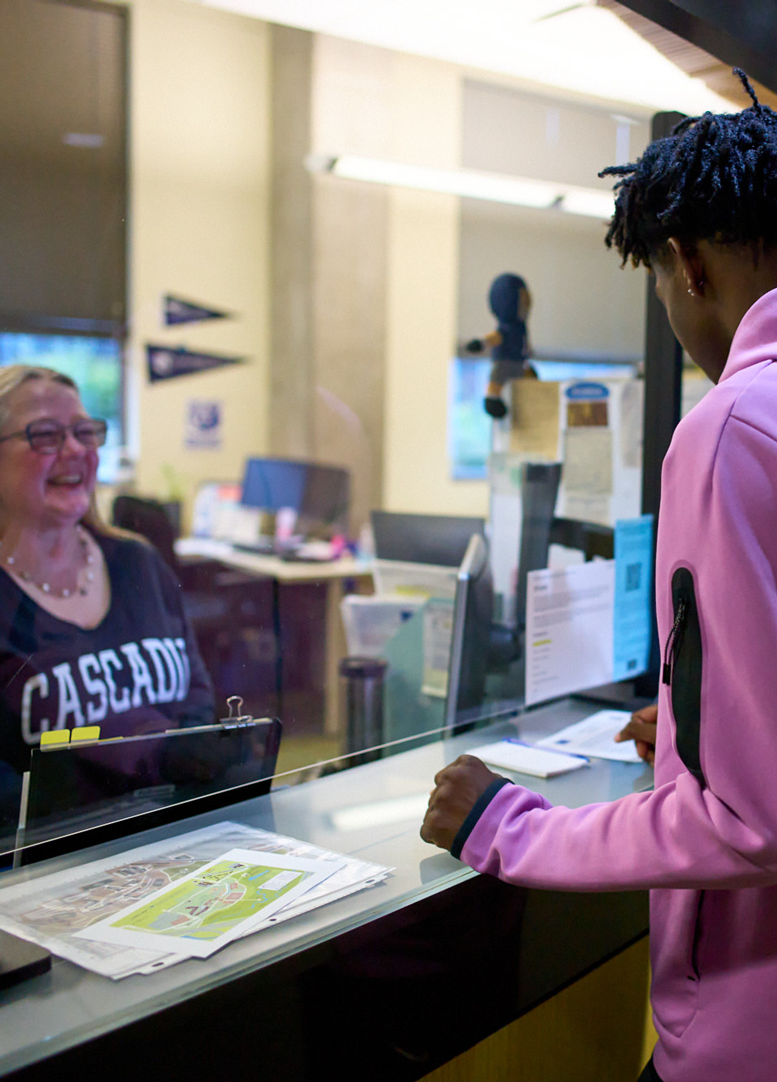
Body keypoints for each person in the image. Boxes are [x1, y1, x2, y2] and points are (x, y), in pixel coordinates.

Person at [422, 71, 777, 1082]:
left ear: (685, 263)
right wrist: (722, 729)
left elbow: (751, 821)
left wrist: (509, 824)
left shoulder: (733, 427)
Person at [0, 365, 214, 783]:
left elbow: (198, 704)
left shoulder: (139, 563)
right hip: (58, 846)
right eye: (45, 434)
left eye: (86, 432)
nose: (76, 449)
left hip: (174, 832)